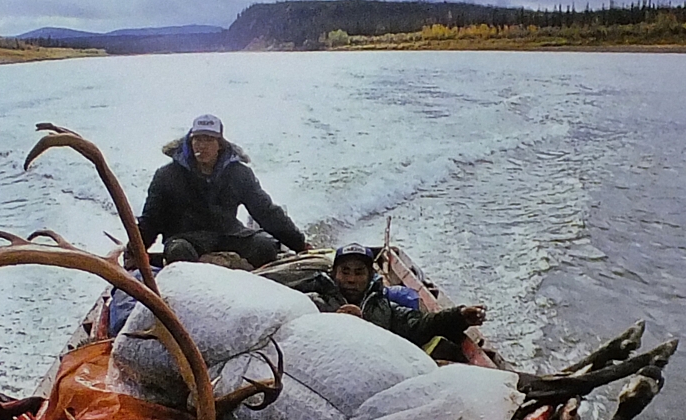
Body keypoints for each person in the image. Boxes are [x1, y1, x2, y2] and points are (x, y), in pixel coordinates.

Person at [137, 114, 308, 268]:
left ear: (220, 144)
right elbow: (151, 220)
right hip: (186, 238)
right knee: (178, 250)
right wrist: (134, 252)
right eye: (197, 139)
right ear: (189, 142)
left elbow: (265, 211)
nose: (202, 146)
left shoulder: (239, 173)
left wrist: (300, 245)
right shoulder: (167, 175)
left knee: (265, 246)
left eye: (209, 139)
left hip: (228, 235)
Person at [315, 243, 486, 349]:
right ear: (334, 274)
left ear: (369, 277)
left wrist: (459, 316)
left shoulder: (385, 309)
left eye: (359, 273)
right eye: (345, 272)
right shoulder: (316, 305)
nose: (351, 280)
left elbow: (422, 324)